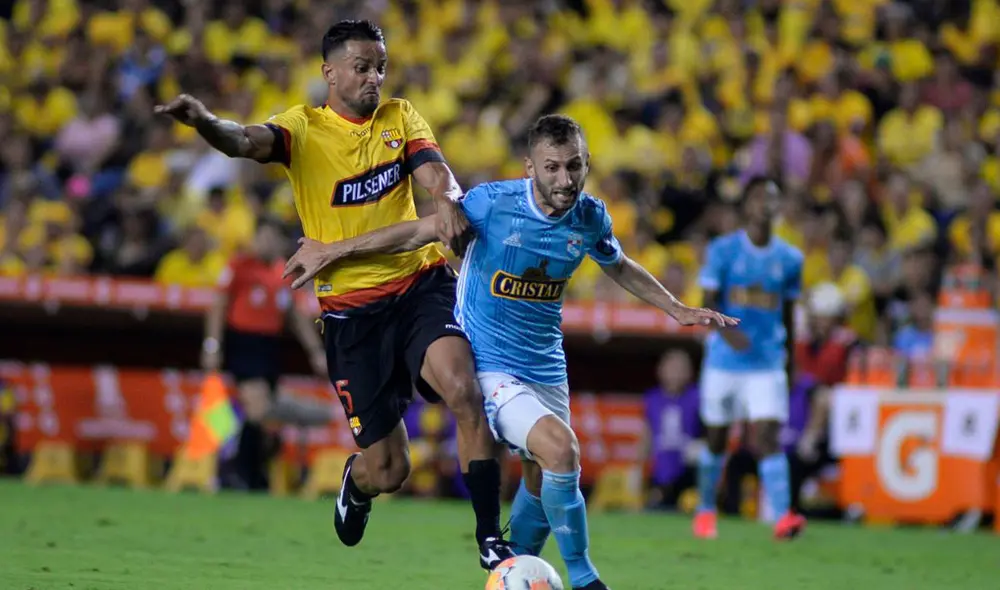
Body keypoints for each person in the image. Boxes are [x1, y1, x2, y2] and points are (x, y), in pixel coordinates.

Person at [283, 114, 736, 590]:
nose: (565, 180)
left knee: (543, 487)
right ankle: (584, 578)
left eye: (575, 166)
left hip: (546, 366)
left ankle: (510, 570)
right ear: (530, 168)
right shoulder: (490, 206)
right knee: (563, 452)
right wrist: (334, 250)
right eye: (553, 167)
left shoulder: (590, 216)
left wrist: (676, 308)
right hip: (491, 365)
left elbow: (618, 265)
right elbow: (413, 233)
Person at [156, 20, 513, 568]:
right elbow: (242, 140)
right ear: (329, 73)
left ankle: (491, 542)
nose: (375, 78)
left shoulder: (400, 115)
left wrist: (446, 195)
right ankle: (357, 480)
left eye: (380, 68)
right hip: (352, 317)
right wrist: (205, 122)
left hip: (419, 286)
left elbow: (435, 171)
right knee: (391, 471)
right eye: (362, 67)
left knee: (464, 390)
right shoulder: (301, 130)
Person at [694, 176, 806, 540]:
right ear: (746, 206)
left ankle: (784, 517)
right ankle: (706, 509)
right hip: (724, 361)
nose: (766, 204)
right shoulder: (723, 251)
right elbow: (708, 306)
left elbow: (788, 313)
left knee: (769, 436)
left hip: (767, 362)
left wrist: (790, 362)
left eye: (772, 198)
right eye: (759, 197)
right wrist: (728, 332)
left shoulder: (790, 259)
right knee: (716, 439)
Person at [203, 217, 329, 490]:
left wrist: (315, 352)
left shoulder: (283, 273)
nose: (266, 243)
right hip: (244, 343)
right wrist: (212, 344)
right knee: (258, 407)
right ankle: (241, 472)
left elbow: (296, 316)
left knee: (261, 413)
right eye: (263, 237)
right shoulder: (238, 265)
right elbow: (218, 305)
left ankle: (247, 470)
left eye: (272, 238)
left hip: (269, 347)